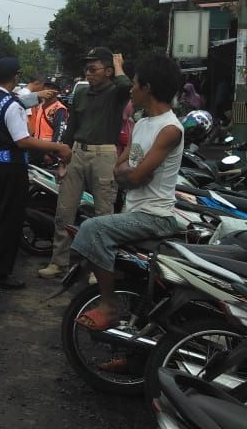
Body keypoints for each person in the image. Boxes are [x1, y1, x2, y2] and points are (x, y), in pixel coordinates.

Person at [70, 54, 184, 331]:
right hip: (133, 211)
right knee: (138, 291)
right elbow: (121, 170)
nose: (130, 89)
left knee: (93, 229)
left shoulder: (170, 129)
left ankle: (108, 306)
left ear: (147, 88)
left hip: (155, 217)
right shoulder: (143, 122)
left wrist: (130, 174)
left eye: (134, 84)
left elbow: (133, 174)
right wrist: (130, 175)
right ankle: (133, 355)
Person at [0, 57, 71, 289]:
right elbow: (23, 141)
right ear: (15, 77)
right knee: (9, 219)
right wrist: (59, 147)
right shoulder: (10, 105)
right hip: (9, 168)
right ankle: (0, 273)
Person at [38, 47, 132, 280]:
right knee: (65, 211)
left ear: (108, 71)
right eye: (86, 69)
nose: (88, 73)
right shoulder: (81, 94)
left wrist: (119, 66)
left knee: (102, 214)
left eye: (93, 69)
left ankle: (99, 268)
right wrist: (63, 156)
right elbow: (72, 126)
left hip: (104, 154)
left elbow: (126, 87)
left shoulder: (115, 93)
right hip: (77, 152)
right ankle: (59, 262)